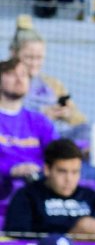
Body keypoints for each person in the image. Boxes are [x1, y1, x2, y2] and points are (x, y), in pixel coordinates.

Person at [4, 138, 95, 241]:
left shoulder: (90, 197)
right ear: (47, 169)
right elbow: (16, 242)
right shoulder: (27, 196)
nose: (69, 179)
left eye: (75, 172)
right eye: (62, 171)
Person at [10, 15, 95, 145]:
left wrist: (68, 114)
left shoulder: (53, 84)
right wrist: (41, 116)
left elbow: (79, 119)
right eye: (29, 57)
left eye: (39, 58)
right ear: (13, 53)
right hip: (22, 138)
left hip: (57, 138)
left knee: (89, 133)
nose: (34, 63)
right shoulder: (6, 82)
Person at [0, 57, 55, 201]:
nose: (19, 79)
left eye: (23, 74)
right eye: (12, 74)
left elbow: (57, 153)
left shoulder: (39, 120)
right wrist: (11, 169)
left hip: (38, 177)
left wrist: (83, 153)